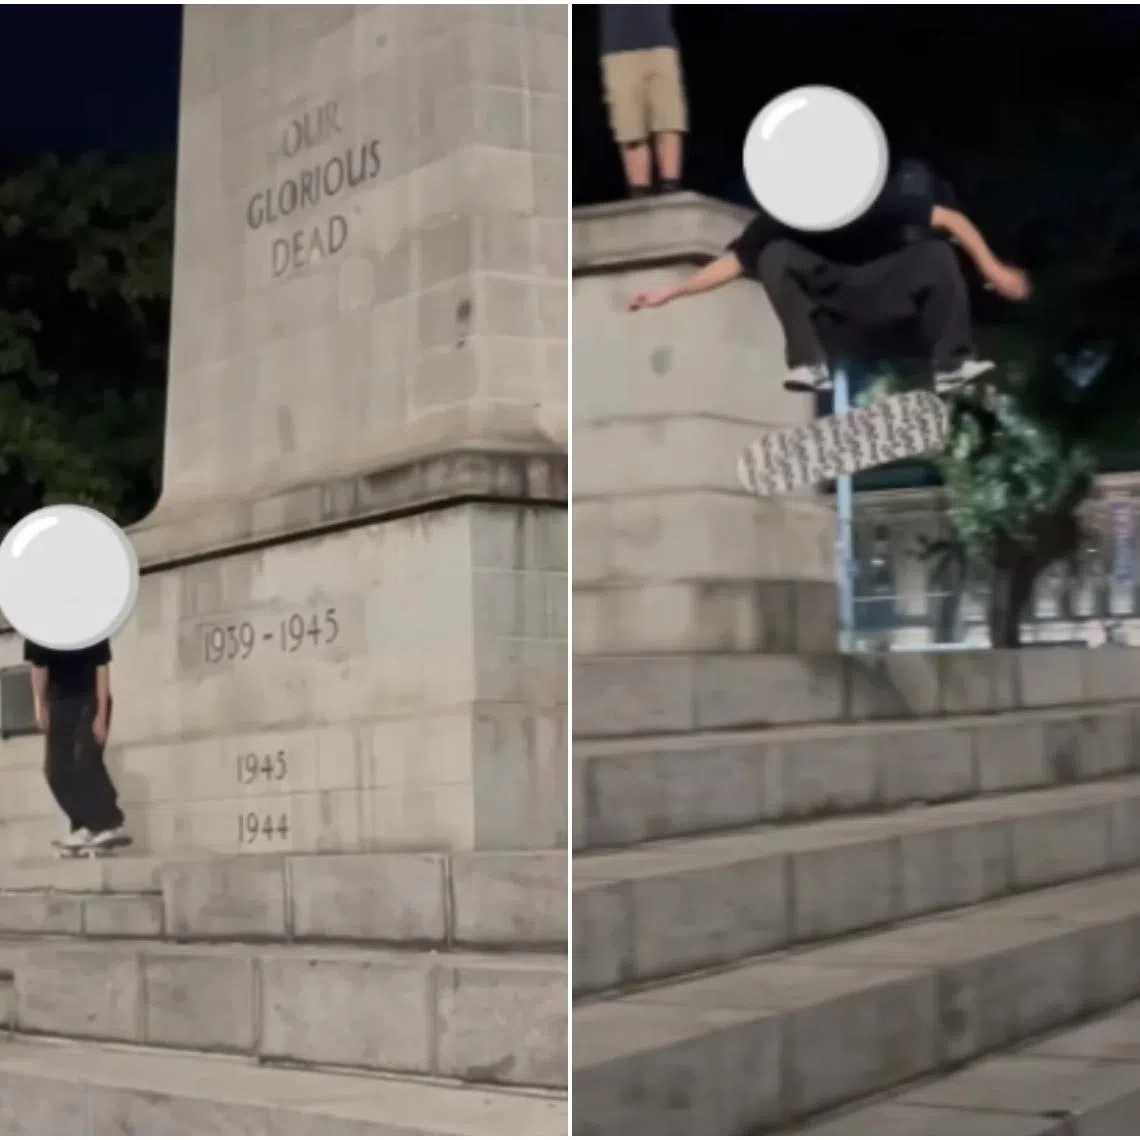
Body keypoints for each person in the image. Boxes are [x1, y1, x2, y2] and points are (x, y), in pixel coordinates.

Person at [629, 159, 1031, 394]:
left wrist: (992, 268)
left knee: (937, 253)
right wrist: (671, 292)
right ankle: (809, 363)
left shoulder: (873, 200)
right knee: (774, 255)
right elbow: (733, 263)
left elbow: (951, 220)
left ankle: (951, 364)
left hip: (884, 290)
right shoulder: (781, 218)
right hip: (832, 304)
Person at [25, 637, 129, 853]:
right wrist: (40, 705)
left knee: (84, 760)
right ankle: (84, 825)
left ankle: (109, 822)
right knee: (55, 770)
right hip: (59, 701)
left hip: (90, 697)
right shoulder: (38, 625)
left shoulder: (90, 622)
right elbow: (38, 666)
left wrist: (100, 714)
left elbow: (101, 666)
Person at [599, 5, 687, 197]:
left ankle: (671, 189)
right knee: (630, 131)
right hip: (618, 49)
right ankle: (639, 196)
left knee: (668, 121)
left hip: (660, 45)